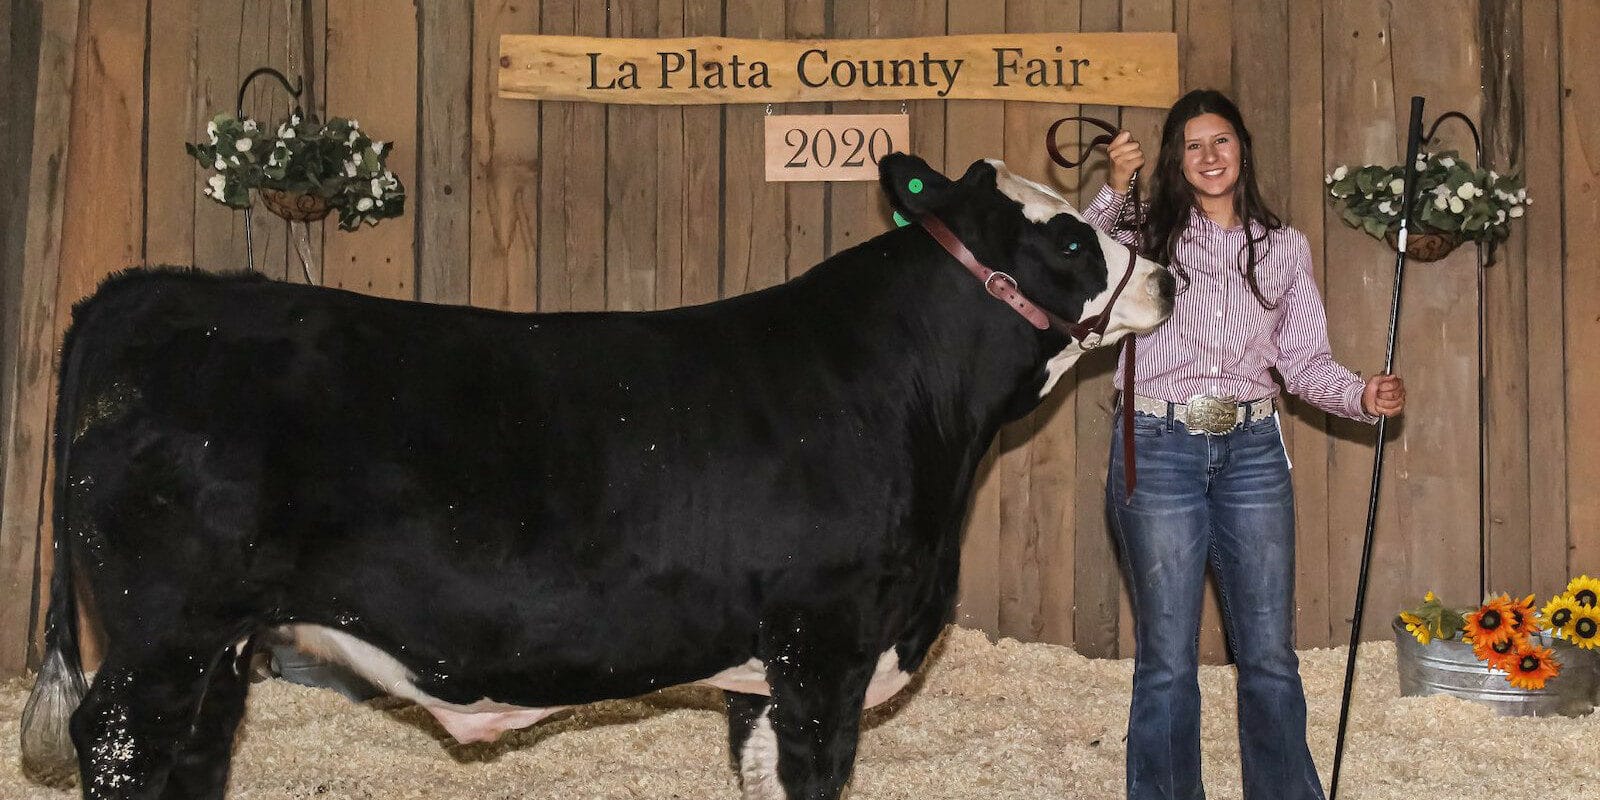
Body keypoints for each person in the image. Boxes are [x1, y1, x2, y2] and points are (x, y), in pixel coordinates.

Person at [1082, 88, 1405, 800]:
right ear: (1175, 159)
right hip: (1157, 440)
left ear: (1242, 150)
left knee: (1269, 656)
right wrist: (1114, 187)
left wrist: (1360, 394)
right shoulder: (1142, 235)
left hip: (1253, 449)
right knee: (1167, 658)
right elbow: (1078, 263)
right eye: (1192, 145)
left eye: (1220, 141)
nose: (1209, 157)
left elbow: (1305, 362)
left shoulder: (1285, 248)